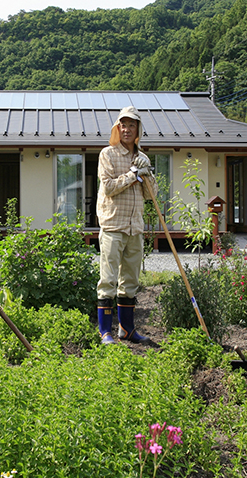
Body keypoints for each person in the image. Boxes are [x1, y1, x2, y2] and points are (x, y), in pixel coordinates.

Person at [95, 106, 153, 345]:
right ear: (117, 128)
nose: (127, 129)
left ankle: (126, 330)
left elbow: (151, 195)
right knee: (108, 280)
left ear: (138, 129)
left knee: (130, 281)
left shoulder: (142, 158)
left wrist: (146, 172)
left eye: (132, 125)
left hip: (134, 228)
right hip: (112, 225)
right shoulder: (108, 154)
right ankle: (105, 332)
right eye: (123, 125)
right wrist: (132, 174)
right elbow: (108, 187)